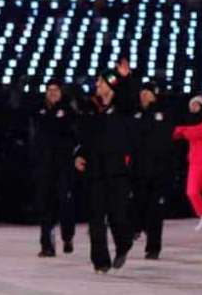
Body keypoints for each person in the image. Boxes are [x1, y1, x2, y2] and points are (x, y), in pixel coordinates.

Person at [73, 61, 139, 273]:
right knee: (95, 219)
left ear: (110, 85)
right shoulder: (91, 108)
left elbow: (130, 97)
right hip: (95, 170)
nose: (97, 85)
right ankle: (100, 261)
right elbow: (84, 137)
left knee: (118, 216)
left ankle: (123, 244)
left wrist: (125, 78)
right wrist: (79, 155)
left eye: (101, 82)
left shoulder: (123, 108)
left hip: (117, 170)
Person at [131, 79, 177, 259]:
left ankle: (153, 247)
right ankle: (138, 227)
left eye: (148, 92)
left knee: (156, 210)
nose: (144, 95)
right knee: (138, 204)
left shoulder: (163, 113)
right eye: (142, 92)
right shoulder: (134, 113)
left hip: (159, 170)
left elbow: (166, 141)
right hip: (138, 169)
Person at [33, 79, 77, 258]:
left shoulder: (68, 110)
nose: (52, 93)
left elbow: (75, 135)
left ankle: (67, 236)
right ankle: (47, 245)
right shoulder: (39, 110)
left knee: (65, 203)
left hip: (63, 165)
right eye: (49, 90)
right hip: (45, 166)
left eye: (56, 90)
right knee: (45, 205)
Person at [172, 93, 202, 232]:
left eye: (196, 104)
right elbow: (174, 134)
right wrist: (180, 130)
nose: (193, 107)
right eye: (191, 105)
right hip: (195, 162)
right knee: (191, 192)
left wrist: (182, 130)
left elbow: (197, 133)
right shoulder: (189, 122)